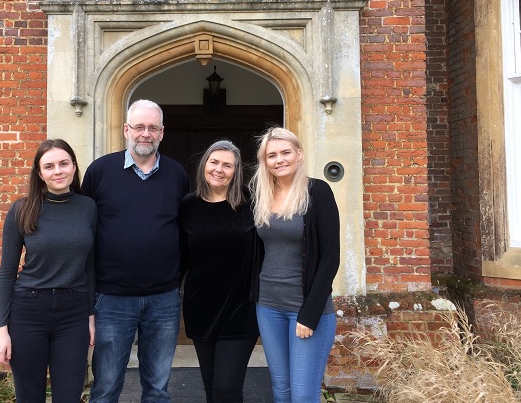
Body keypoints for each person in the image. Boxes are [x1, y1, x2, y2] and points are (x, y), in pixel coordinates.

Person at [82, 99, 189, 403]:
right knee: (105, 388)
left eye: (152, 127)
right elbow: (85, 230)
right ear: (126, 129)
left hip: (163, 298)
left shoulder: (177, 174)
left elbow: (183, 230)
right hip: (112, 298)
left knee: (157, 388)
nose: (145, 133)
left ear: (162, 132)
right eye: (139, 127)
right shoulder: (100, 171)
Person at [0, 139, 98, 403]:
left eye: (64, 163)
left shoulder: (88, 208)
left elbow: (89, 266)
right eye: (49, 166)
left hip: (72, 313)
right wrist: (1, 330)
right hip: (28, 311)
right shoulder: (22, 209)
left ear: (74, 167)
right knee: (29, 397)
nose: (58, 171)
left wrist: (90, 315)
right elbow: (6, 273)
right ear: (39, 173)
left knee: (69, 396)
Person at [249, 127, 340, 403]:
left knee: (303, 395)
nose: (279, 160)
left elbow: (330, 257)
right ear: (265, 161)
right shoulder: (259, 195)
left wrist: (309, 314)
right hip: (268, 306)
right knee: (282, 390)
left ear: (298, 155)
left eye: (285, 152)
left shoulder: (318, 192)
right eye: (271, 155)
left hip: (307, 309)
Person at [179, 140, 259, 403]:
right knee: (212, 388)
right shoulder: (188, 205)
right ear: (204, 165)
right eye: (214, 162)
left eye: (227, 165)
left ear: (236, 171)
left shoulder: (251, 202)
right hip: (201, 307)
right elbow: (180, 256)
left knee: (227, 388)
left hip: (240, 308)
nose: (219, 169)